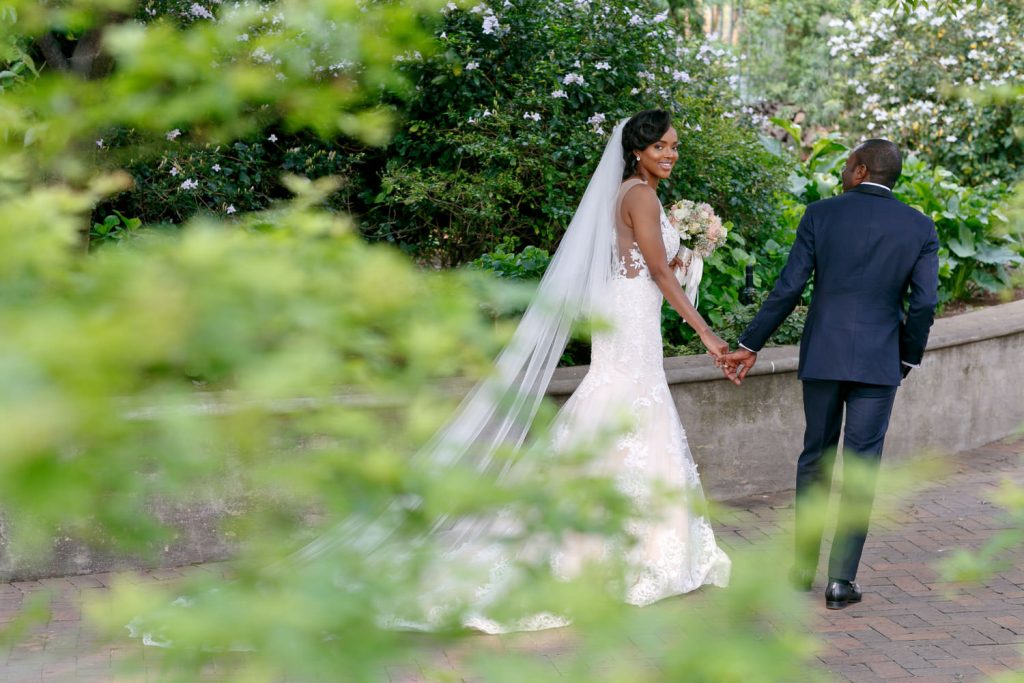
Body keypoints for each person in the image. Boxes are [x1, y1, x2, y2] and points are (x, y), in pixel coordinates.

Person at [718, 139, 939, 610]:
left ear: (859, 169)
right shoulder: (919, 227)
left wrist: (749, 344)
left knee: (815, 457)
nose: (843, 170)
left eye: (846, 164)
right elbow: (923, 302)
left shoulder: (821, 214)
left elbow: (789, 287)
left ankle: (801, 569)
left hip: (823, 355)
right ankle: (841, 582)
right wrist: (907, 357)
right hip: (880, 363)